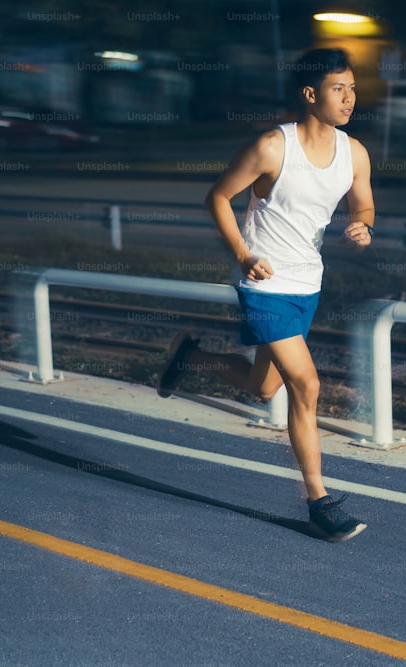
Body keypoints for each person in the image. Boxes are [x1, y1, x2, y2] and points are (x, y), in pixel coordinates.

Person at [157, 48, 374, 542]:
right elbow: (217, 196)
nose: (349, 98)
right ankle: (319, 502)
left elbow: (364, 203)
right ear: (310, 93)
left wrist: (363, 226)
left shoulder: (353, 152)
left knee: (265, 389)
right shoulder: (273, 148)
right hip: (264, 283)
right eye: (339, 89)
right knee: (307, 384)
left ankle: (191, 358)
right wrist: (242, 255)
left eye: (353, 88)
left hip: (307, 284)